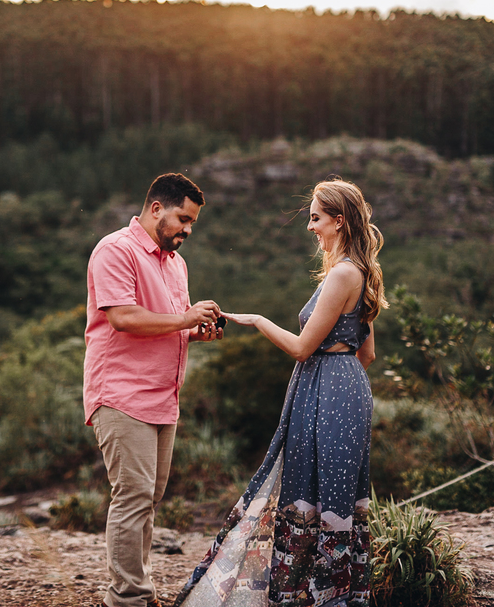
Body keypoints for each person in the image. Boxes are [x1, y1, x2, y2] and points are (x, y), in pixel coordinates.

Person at [175, 178, 385, 607]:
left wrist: (257, 320)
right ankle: (335, 592)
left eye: (315, 218)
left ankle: (312, 595)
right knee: (335, 491)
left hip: (327, 390)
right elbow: (368, 354)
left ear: (339, 221)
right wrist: (338, 380)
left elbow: (302, 347)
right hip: (346, 388)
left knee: (311, 486)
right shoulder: (360, 273)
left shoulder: (343, 273)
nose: (310, 227)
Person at [84, 172, 224, 607]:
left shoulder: (176, 264)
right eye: (183, 218)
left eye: (193, 224)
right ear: (156, 208)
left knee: (150, 498)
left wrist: (196, 332)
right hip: (122, 395)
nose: (187, 229)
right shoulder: (115, 250)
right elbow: (124, 318)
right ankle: (128, 599)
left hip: (164, 399)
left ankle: (137, 593)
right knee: (133, 497)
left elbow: (166, 326)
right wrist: (185, 319)